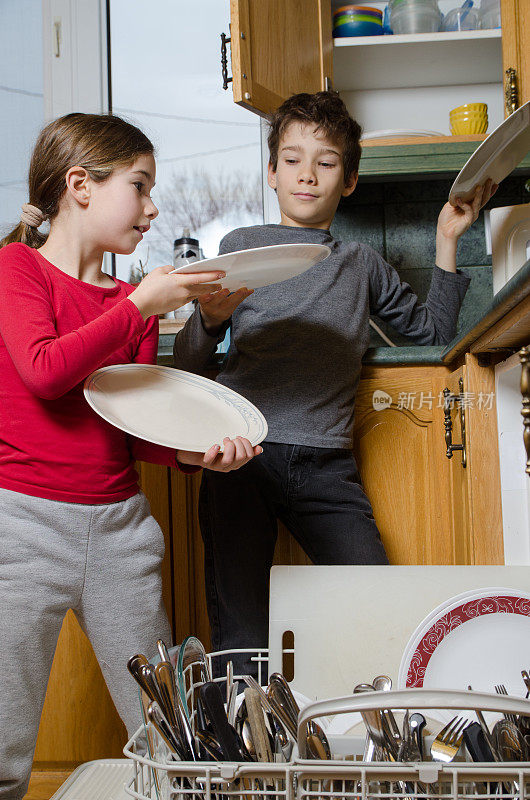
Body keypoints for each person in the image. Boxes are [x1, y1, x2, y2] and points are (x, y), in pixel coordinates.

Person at [173, 91, 497, 677]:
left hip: (327, 466)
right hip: (242, 457)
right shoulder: (239, 248)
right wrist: (211, 318)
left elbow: (431, 335)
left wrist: (447, 238)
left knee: (375, 606)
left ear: (347, 181)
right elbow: (191, 363)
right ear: (271, 171)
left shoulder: (362, 263)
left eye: (325, 163)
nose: (306, 174)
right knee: (242, 632)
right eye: (292, 159)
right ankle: (243, 764)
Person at [0, 112, 262, 800]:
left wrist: (200, 456)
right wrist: (141, 304)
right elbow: (45, 371)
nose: (152, 209)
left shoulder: (128, 303)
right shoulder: (17, 269)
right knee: (2, 739)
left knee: (171, 730)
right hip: (22, 528)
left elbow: (132, 426)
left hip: (121, 532)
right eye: (140, 186)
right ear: (80, 185)